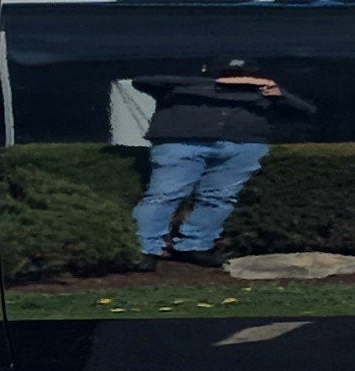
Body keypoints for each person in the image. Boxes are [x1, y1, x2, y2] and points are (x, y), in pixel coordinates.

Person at [127, 59, 316, 263]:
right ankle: (144, 248)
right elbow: (141, 81)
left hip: (243, 146)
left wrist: (280, 94)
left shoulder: (263, 90)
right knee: (164, 195)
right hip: (183, 143)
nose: (238, 77)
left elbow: (305, 111)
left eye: (241, 73)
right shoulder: (181, 84)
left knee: (220, 197)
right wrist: (221, 83)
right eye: (231, 73)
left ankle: (195, 245)